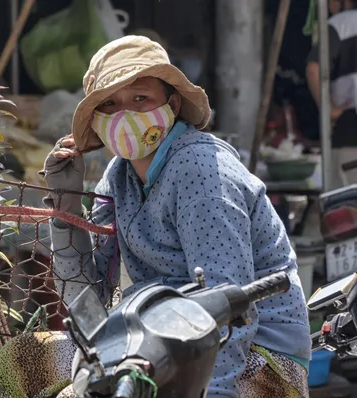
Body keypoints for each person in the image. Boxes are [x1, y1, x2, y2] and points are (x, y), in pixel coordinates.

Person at [41, 36, 311, 397]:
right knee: (22, 359)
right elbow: (88, 297)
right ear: (98, 122)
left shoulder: (199, 168)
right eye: (109, 104)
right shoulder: (116, 178)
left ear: (172, 104)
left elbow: (227, 305)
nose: (125, 114)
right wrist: (66, 208)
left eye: (140, 98)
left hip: (255, 355)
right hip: (156, 344)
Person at [306, 0, 357, 189]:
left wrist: (329, 109)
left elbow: (314, 69)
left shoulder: (340, 24)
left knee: (346, 210)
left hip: (351, 133)